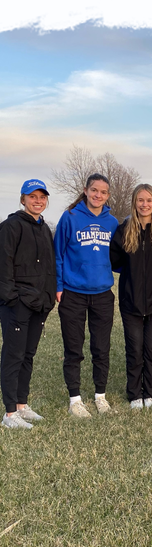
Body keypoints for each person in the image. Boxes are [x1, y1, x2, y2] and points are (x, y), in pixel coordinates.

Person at [55, 173, 120, 418]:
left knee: (101, 348)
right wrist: (58, 286)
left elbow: (117, 258)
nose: (98, 195)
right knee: (74, 348)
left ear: (108, 195)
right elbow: (58, 254)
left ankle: (100, 397)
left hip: (103, 293)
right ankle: (75, 400)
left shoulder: (112, 222)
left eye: (103, 192)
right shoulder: (69, 218)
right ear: (85, 190)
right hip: (73, 293)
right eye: (94, 190)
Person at [110, 184, 152, 409]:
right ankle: (134, 393)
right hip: (131, 300)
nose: (145, 204)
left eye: (149, 200)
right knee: (134, 348)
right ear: (134, 202)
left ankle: (151, 391)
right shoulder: (123, 230)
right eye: (140, 200)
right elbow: (115, 261)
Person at [0, 180, 57, 429]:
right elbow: (3, 265)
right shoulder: (10, 226)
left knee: (28, 355)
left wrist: (48, 298)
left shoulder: (44, 228)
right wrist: (12, 298)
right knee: (13, 355)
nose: (37, 201)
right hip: (17, 304)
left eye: (42, 197)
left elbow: (48, 266)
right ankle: (9, 413)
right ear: (23, 199)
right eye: (32, 196)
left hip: (39, 303)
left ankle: (22, 405)